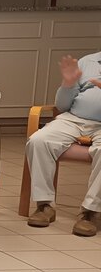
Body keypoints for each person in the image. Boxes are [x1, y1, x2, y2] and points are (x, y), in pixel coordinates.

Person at [25, 51, 101, 236]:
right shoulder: (88, 61)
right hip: (74, 118)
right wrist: (67, 84)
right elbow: (62, 106)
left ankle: (90, 212)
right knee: (39, 141)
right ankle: (44, 205)